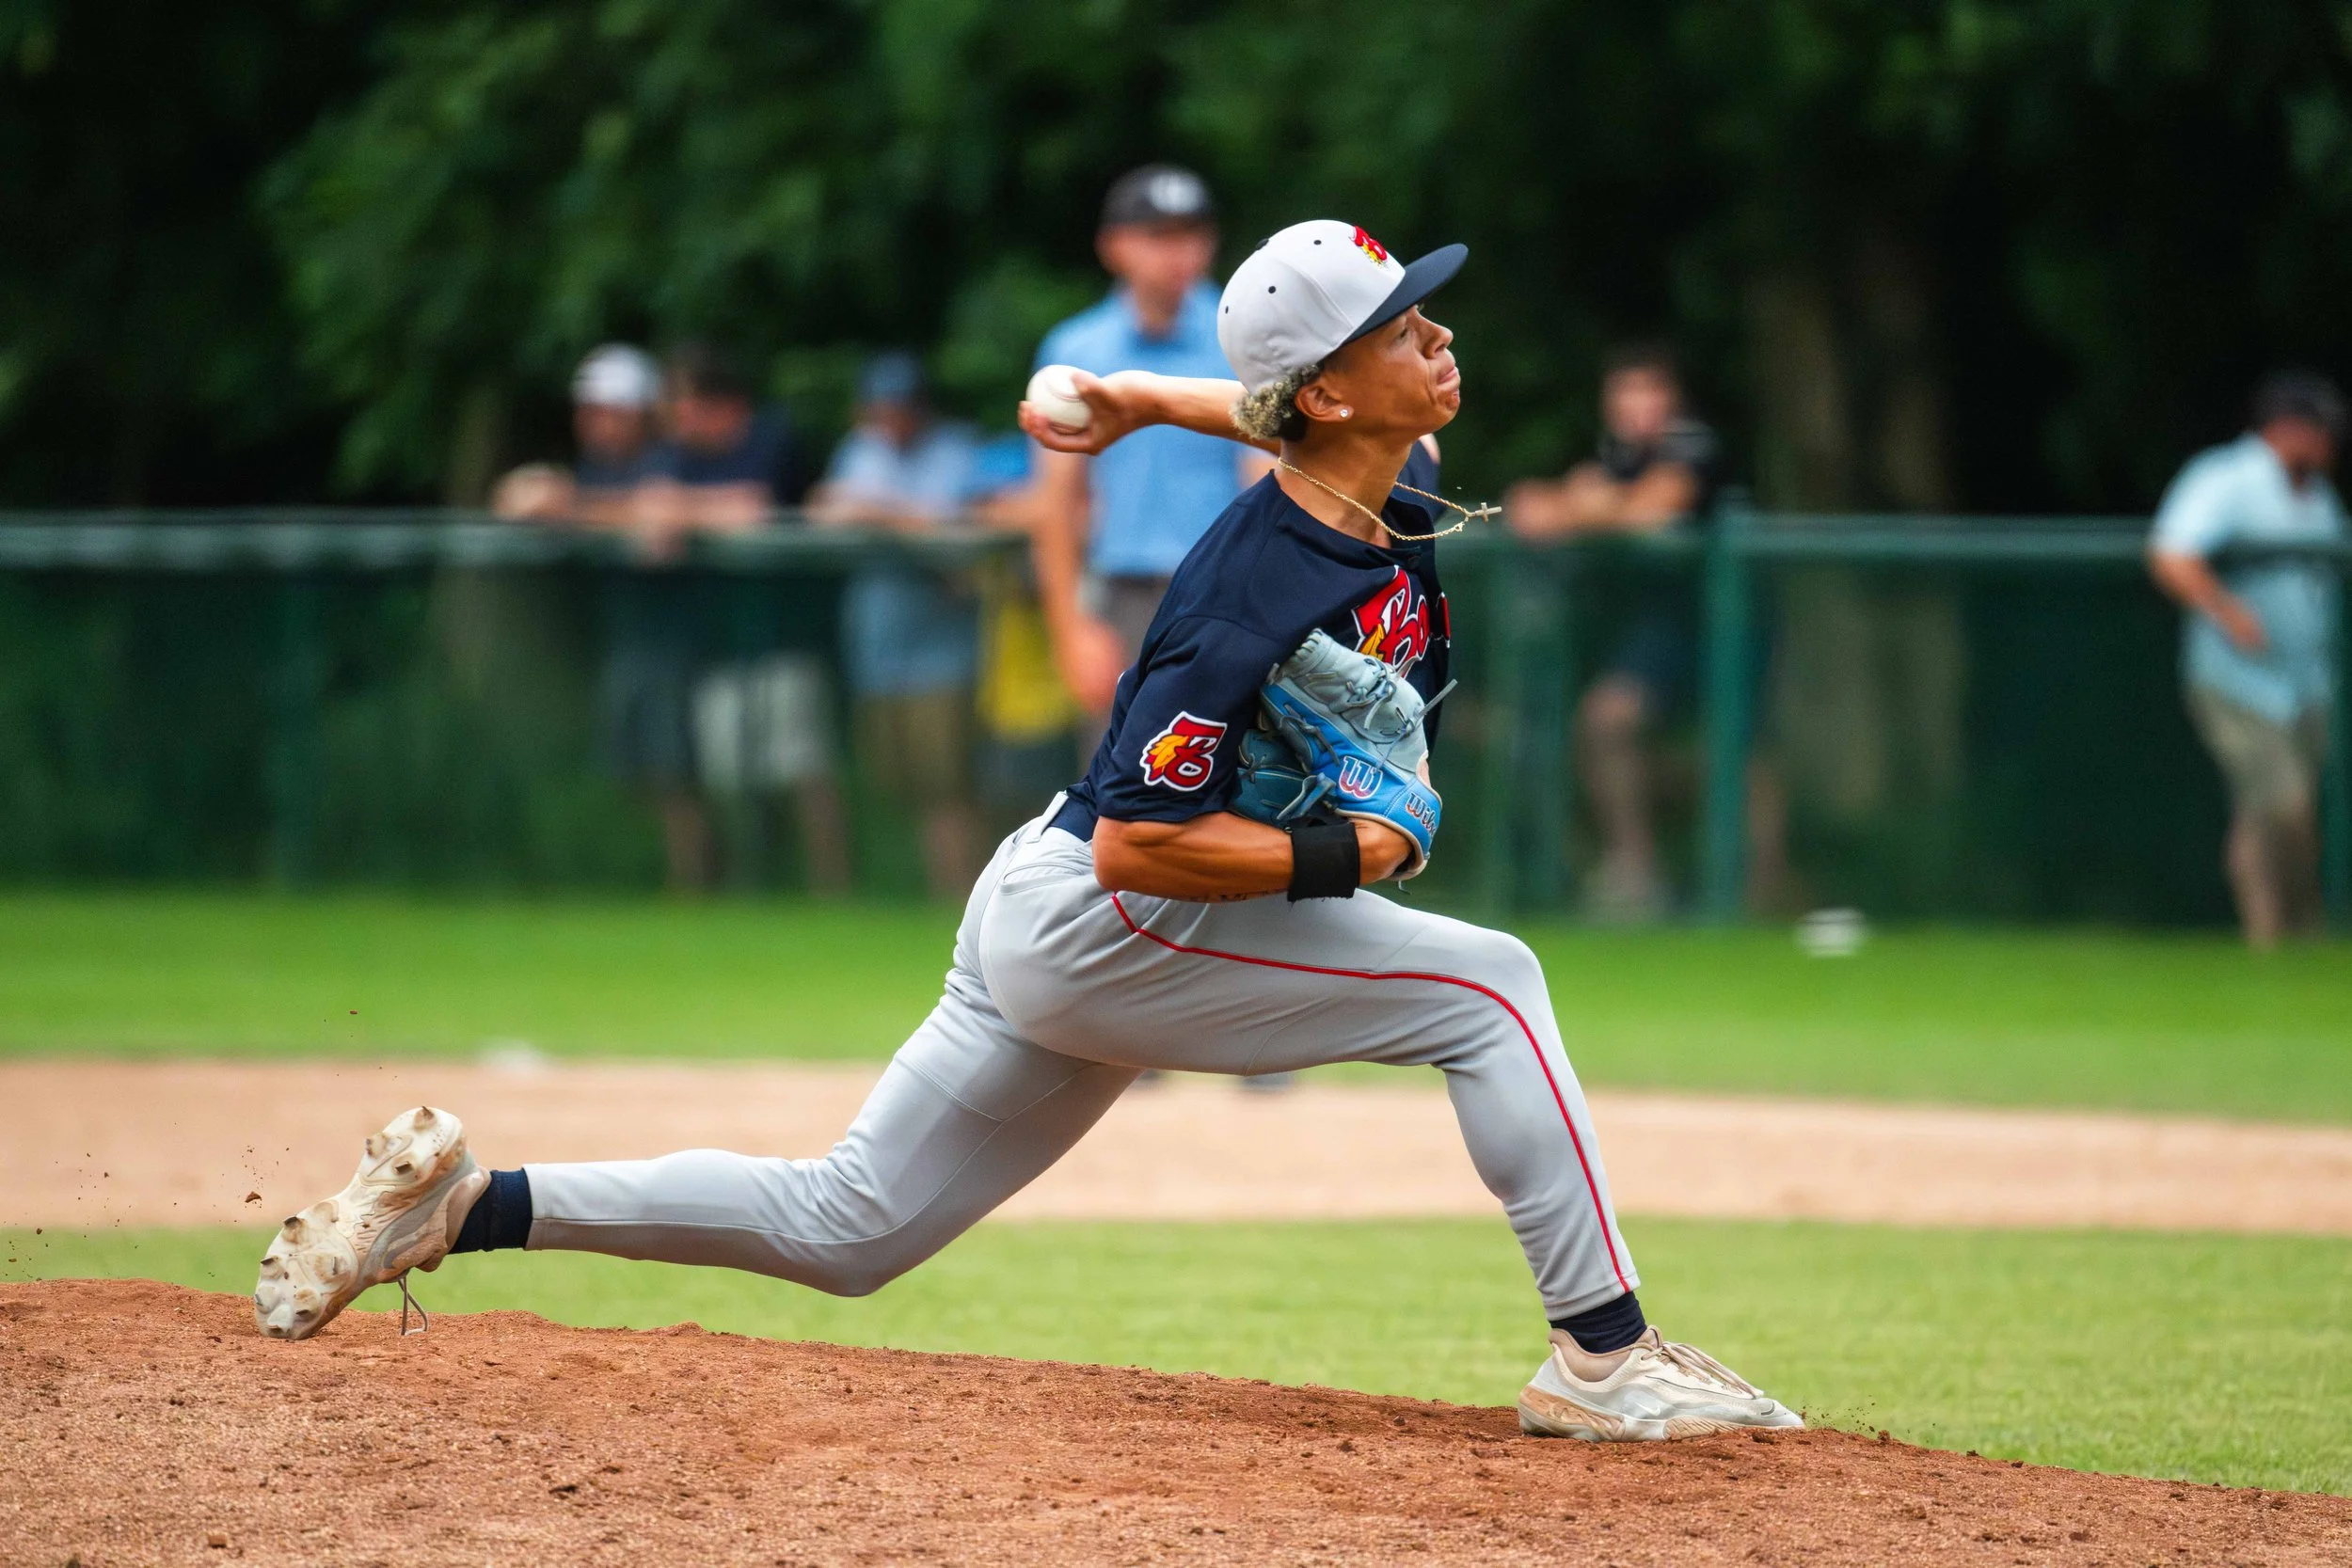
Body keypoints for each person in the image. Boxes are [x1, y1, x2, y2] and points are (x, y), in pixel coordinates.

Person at [252, 219, 1803, 1446]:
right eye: (1405, 325)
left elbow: (1269, 414)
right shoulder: (1243, 600)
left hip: (1051, 902)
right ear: (1334, 390)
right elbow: (1143, 842)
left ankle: (462, 1205)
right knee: (1493, 989)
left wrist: (1135, 402)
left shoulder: (1385, 473)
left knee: (847, 1226)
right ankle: (1605, 1357)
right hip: (1117, 916)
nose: (1440, 335)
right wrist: (1351, 860)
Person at [1505, 345, 1787, 919]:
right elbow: (1537, 505)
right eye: (1626, 393)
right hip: (1665, 627)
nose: (1639, 407)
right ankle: (1637, 874)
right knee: (1608, 719)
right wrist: (1582, 501)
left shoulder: (1694, 445)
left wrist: (1579, 507)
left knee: (1740, 752)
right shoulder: (1619, 455)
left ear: (1673, 398)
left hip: (1730, 622)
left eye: (1650, 391)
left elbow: (1650, 509)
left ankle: (1763, 889)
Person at [1031, 165, 1273, 728]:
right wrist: (1071, 630)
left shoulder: (1242, 334)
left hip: (1233, 597)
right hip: (1126, 605)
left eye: (1191, 234)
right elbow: (1055, 504)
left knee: (1244, 790)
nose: (1179, 253)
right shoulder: (1076, 347)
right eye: (1158, 236)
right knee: (1120, 799)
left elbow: (1269, 479)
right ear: (1114, 246)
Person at [2149, 371, 2346, 947]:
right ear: (2286, 428)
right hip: (2237, 680)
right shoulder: (2227, 478)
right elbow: (2172, 555)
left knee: (2278, 815)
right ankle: (2280, 936)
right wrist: (2227, 611)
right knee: (2281, 805)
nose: (2330, 445)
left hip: (2306, 683)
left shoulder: (2318, 498)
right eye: (2321, 431)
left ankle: (2283, 941)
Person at [804, 352, 988, 899]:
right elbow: (822, 510)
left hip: (944, 650)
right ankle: (907, 896)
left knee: (947, 785)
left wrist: (877, 514)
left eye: (901, 407)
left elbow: (952, 535)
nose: (890, 419)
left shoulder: (955, 450)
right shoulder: (860, 450)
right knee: (897, 783)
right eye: (880, 409)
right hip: (877, 649)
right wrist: (885, 515)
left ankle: (962, 897)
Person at [490, 343, 663, 524]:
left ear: (641, 416)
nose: (591, 422)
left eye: (607, 413)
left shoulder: (668, 462)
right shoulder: (594, 465)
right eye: (586, 411)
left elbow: (665, 509)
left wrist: (566, 505)